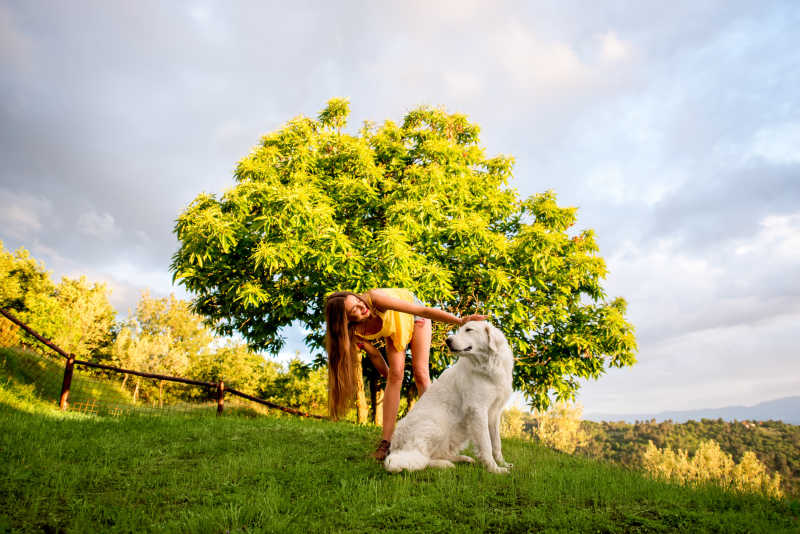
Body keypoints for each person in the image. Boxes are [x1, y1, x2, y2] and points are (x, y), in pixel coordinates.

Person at [324, 288, 487, 460]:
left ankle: (438, 436)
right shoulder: (354, 332)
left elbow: (422, 311)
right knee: (396, 375)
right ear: (345, 321)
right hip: (394, 328)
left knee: (420, 372)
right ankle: (386, 443)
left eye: (358, 301)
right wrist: (391, 379)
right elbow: (374, 355)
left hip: (415, 315)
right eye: (354, 310)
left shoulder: (374, 300)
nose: (361, 307)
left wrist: (460, 320)